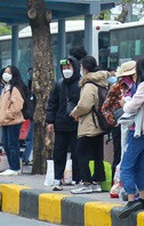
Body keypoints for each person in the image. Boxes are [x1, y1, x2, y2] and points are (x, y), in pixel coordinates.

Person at [118, 57, 144, 217]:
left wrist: (125, 102)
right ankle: (143, 198)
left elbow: (132, 106)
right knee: (142, 165)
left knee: (126, 166)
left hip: (137, 130)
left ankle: (131, 199)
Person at [69, 56, 109, 194]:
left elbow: (85, 105)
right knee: (98, 153)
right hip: (98, 123)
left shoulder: (89, 84)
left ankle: (86, 182)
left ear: (84, 68)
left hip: (89, 123)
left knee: (81, 152)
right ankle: (97, 181)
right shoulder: (101, 82)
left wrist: (74, 113)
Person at [46, 56, 81, 191]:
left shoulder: (80, 84)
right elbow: (52, 103)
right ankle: (57, 178)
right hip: (60, 123)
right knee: (59, 152)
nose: (66, 70)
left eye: (69, 68)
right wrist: (50, 121)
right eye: (64, 68)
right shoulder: (59, 84)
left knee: (77, 153)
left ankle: (78, 179)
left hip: (76, 123)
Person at [101, 60, 136, 187]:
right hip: (120, 124)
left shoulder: (136, 86)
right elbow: (105, 107)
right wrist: (114, 122)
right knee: (118, 154)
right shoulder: (117, 87)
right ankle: (115, 184)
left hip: (132, 124)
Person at [0, 66, 28, 176]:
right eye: (5, 71)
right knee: (6, 144)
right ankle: (12, 166)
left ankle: (15, 167)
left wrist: (9, 114)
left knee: (12, 144)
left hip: (13, 121)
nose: (6, 74)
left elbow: (18, 104)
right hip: (5, 121)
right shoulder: (6, 87)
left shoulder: (15, 88)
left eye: (9, 72)